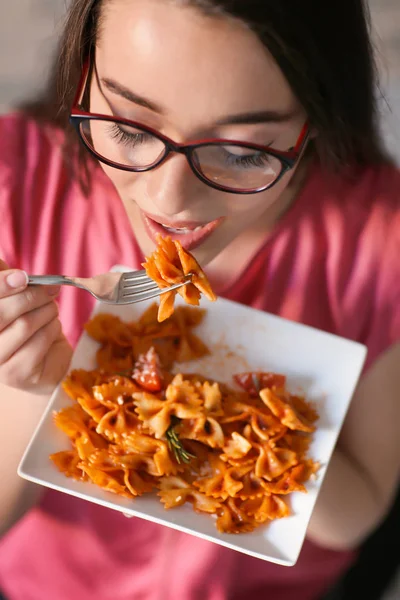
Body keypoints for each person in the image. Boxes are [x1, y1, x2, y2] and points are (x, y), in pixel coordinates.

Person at [0, 0, 399, 598]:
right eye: (130, 129)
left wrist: (187, 395)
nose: (169, 201)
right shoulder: (17, 186)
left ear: (314, 119)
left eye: (242, 152)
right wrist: (44, 385)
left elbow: (354, 519)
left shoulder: (380, 244)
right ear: (83, 71)